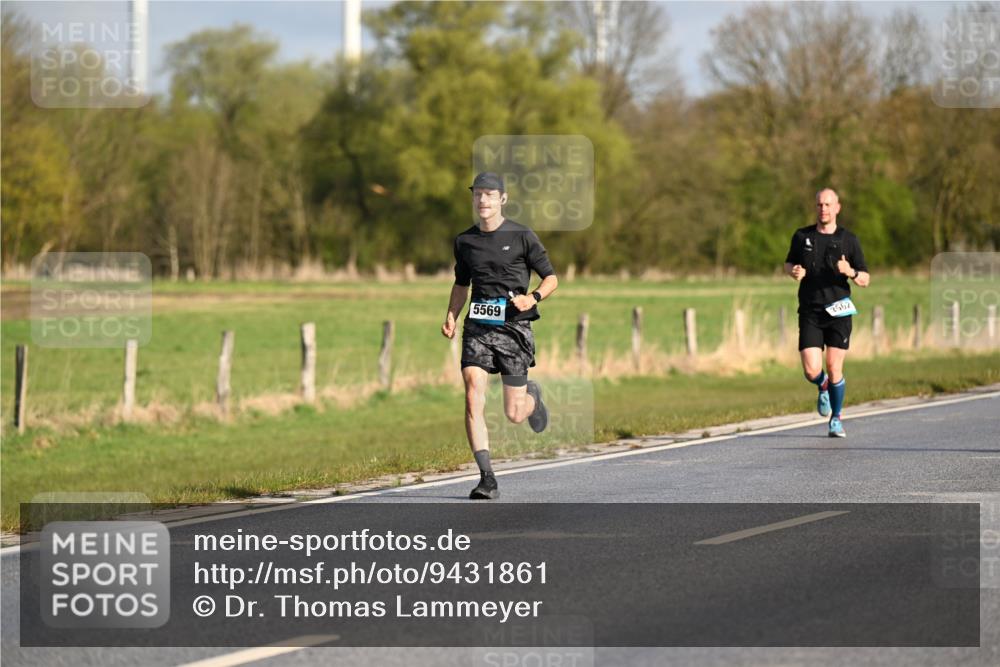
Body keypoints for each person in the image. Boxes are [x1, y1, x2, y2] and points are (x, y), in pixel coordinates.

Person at [441, 172, 559, 499]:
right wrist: (451, 314)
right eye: (478, 194)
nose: (483, 201)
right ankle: (486, 478)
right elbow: (461, 284)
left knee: (513, 413)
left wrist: (532, 298)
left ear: (502, 199)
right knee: (471, 391)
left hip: (514, 328)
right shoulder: (465, 241)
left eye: (489, 195)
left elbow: (551, 279)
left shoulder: (522, 236)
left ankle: (531, 401)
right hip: (477, 327)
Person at [784, 188, 870, 438]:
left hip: (839, 311)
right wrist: (794, 272)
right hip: (810, 310)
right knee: (812, 370)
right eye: (820, 204)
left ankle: (836, 418)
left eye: (828, 204)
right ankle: (822, 386)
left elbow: (865, 278)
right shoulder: (802, 236)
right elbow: (789, 262)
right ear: (816, 207)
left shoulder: (849, 240)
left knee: (834, 366)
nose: (824, 209)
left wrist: (850, 272)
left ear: (837, 208)